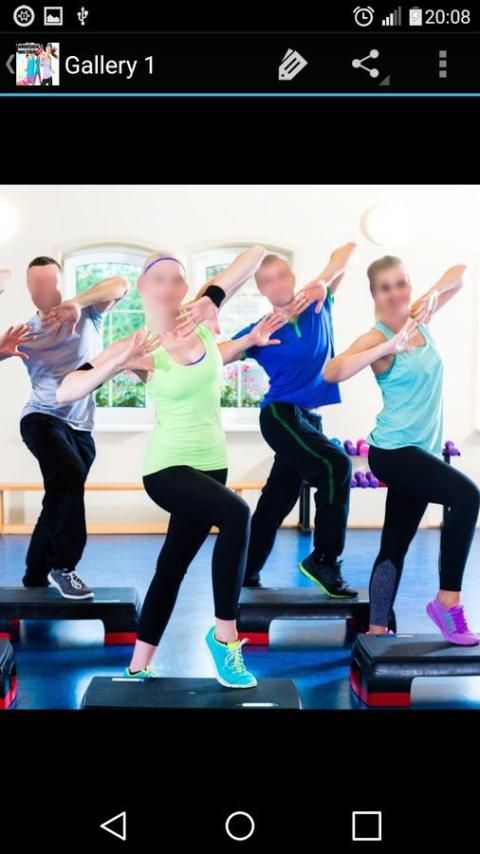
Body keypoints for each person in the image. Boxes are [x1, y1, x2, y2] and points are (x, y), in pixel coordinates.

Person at [58, 245, 285, 688]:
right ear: (143, 286)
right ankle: (225, 639)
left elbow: (256, 254)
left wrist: (228, 317)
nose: (168, 287)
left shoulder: (199, 322)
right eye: (158, 278)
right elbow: (67, 390)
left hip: (212, 467)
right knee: (237, 513)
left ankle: (138, 664)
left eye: (177, 279)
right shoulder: (139, 346)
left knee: (172, 566)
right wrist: (117, 362)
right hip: (167, 470)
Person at [324, 256, 480, 645]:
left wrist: (433, 294)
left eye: (401, 284)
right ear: (374, 293)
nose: (395, 294)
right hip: (394, 451)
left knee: (395, 542)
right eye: (385, 287)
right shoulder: (375, 338)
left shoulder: (420, 318)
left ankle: (377, 629)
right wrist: (386, 347)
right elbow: (332, 371)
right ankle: (447, 602)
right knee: (467, 497)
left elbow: (459, 273)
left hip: (420, 453)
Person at [230, 243, 358, 597]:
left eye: (281, 276)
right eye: (267, 281)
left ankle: (244, 571)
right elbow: (214, 356)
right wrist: (250, 340)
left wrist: (323, 281)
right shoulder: (263, 328)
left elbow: (347, 250)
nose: (277, 284)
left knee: (277, 498)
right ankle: (324, 559)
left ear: (292, 276)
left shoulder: (318, 303)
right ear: (262, 289)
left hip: (308, 419)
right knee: (336, 466)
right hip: (280, 414)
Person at [0, 256, 129, 599]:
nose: (43, 289)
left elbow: (120, 284)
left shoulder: (87, 314)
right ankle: (64, 566)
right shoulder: (26, 332)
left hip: (81, 429)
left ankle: (34, 574)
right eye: (36, 284)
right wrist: (0, 352)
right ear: (29, 289)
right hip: (41, 419)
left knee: (59, 497)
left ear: (60, 284)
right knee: (69, 478)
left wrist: (77, 302)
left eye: (49, 282)